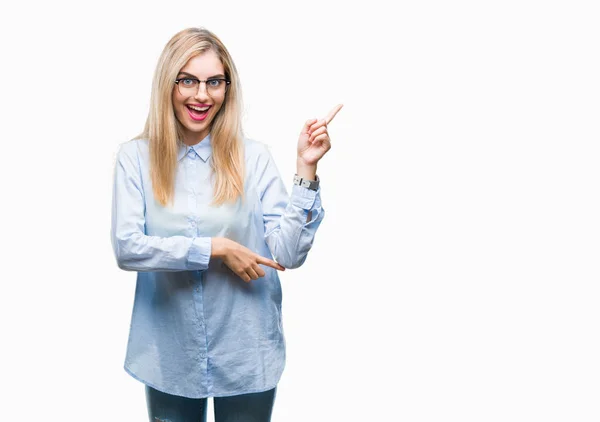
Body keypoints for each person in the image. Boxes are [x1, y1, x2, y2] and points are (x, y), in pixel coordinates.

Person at [110, 27, 342, 421]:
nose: (201, 95)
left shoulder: (254, 158)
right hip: (171, 354)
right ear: (169, 84)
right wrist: (213, 248)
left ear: (227, 89)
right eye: (188, 81)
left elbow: (287, 254)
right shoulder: (135, 158)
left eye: (214, 82)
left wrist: (306, 167)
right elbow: (128, 247)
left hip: (245, 349)